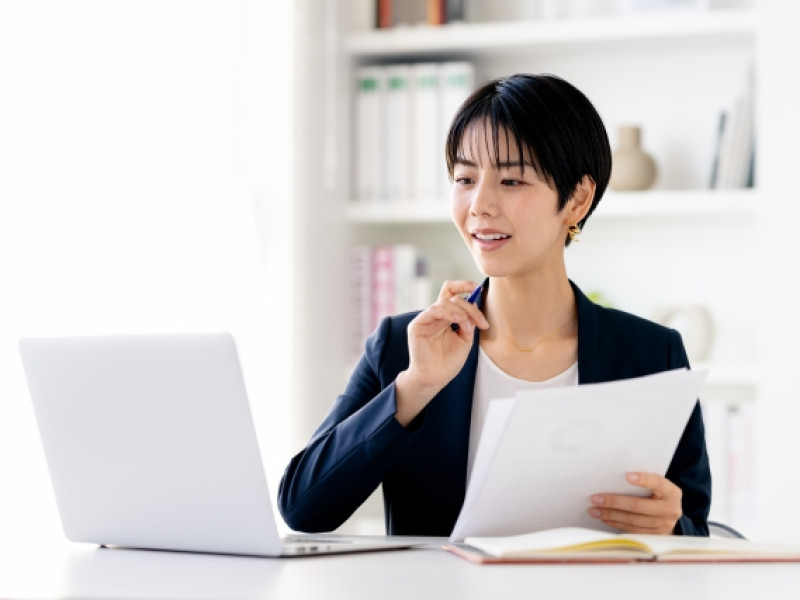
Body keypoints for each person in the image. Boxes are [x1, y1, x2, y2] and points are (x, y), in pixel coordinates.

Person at [278, 73, 710, 538]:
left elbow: (693, 532)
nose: (479, 204)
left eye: (511, 180)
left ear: (577, 199)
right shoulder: (404, 349)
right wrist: (416, 386)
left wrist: (671, 526)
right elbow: (303, 508)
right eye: (464, 178)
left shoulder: (651, 354)